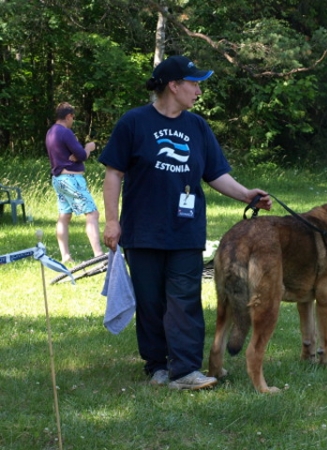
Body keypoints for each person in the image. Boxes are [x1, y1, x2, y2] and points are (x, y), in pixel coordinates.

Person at [99, 55, 272, 390]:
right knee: (150, 302)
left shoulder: (197, 127)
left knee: (184, 299)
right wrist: (110, 221)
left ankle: (186, 369)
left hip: (186, 229)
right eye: (193, 83)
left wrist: (246, 194)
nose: (198, 90)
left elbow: (216, 174)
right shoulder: (133, 123)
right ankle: (156, 366)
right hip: (142, 230)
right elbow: (114, 173)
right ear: (173, 85)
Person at [45, 102, 104, 264]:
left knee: (64, 216)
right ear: (69, 116)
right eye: (73, 117)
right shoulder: (65, 132)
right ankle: (99, 255)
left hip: (58, 179)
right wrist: (88, 148)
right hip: (72, 179)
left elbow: (73, 155)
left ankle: (65, 256)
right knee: (92, 213)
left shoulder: (51, 132)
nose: (73, 121)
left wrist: (76, 155)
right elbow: (82, 155)